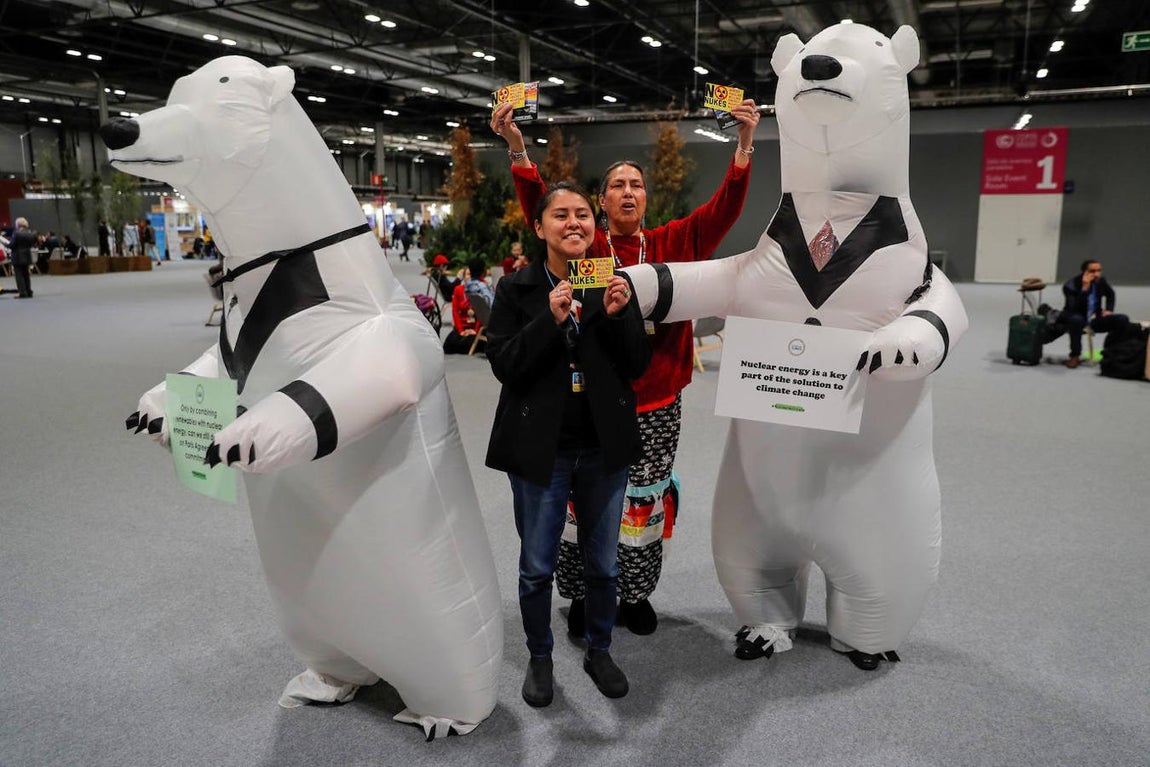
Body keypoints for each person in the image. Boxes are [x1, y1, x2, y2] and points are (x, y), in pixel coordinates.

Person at [491, 93, 760, 637]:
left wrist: (745, 143)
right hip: (595, 402)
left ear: (646, 197)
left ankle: (635, 593)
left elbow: (724, 210)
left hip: (658, 402)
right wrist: (517, 148)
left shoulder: (673, 242)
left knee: (644, 502)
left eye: (636, 184)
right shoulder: (586, 250)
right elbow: (543, 206)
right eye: (617, 185)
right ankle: (582, 595)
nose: (629, 191)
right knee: (582, 505)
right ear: (601, 201)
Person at [485, 182, 650, 707]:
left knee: (604, 565)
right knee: (537, 567)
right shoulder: (516, 288)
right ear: (539, 227)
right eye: (561, 214)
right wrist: (548, 321)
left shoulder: (610, 280)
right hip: (542, 449)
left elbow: (636, 365)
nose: (574, 222)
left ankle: (600, 649)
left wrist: (622, 317)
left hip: (603, 448)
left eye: (582, 214)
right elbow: (504, 365)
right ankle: (540, 657)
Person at [1041, 260, 1131, 368]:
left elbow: (1110, 294)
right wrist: (1084, 289)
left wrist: (1109, 310)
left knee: (1122, 319)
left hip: (1094, 319)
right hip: (1073, 318)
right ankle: (1075, 356)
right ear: (1085, 272)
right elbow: (1074, 309)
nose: (1096, 274)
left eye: (1099, 270)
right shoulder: (1070, 286)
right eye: (1092, 271)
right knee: (1076, 320)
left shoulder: (1101, 281)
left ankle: (1113, 352)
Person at [10, 217, 38, 298]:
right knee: (26, 274)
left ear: (18, 224)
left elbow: (11, 245)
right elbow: (33, 243)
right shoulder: (30, 233)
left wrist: (5, 244)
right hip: (27, 255)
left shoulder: (16, 233)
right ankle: (29, 291)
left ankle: (22, 292)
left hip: (17, 256)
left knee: (19, 275)